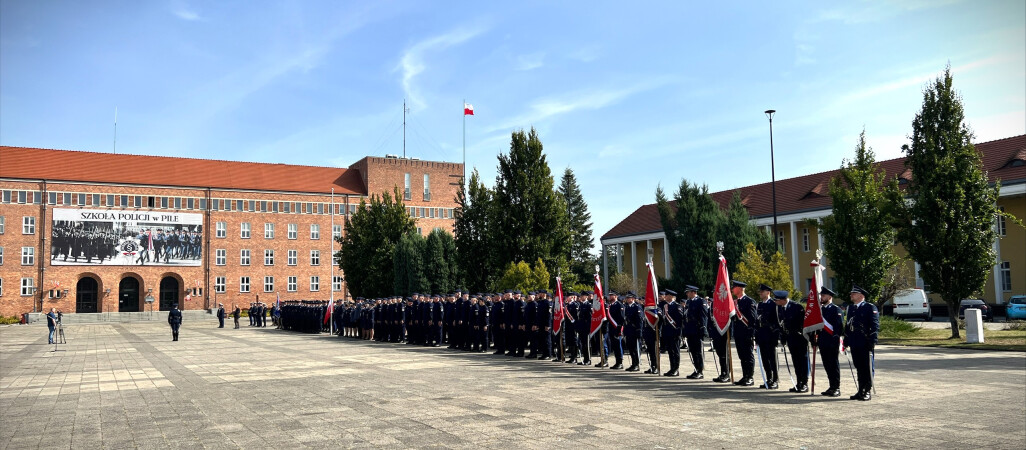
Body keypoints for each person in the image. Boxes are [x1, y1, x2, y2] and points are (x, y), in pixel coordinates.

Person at [846, 284, 879, 401]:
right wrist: (846, 339)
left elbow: (875, 325)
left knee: (867, 367)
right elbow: (848, 325)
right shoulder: (851, 308)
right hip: (855, 342)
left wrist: (873, 340)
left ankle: (867, 390)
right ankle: (860, 390)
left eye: (853, 294)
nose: (851, 295)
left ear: (861, 296)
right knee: (859, 367)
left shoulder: (870, 307)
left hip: (865, 342)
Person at [775, 290, 808, 393]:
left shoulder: (796, 307)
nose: (775, 301)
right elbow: (781, 324)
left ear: (783, 300)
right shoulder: (780, 308)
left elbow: (803, 324)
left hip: (800, 338)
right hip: (790, 338)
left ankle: (804, 383)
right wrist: (783, 338)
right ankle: (799, 383)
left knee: (802, 361)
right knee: (796, 361)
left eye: (777, 300)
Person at [815, 287, 844, 397]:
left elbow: (838, 327)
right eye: (821, 295)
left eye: (823, 295)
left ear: (830, 297)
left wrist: (835, 341)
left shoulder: (836, 309)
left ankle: (836, 387)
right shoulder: (820, 310)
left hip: (832, 342)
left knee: (833, 365)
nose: (821, 297)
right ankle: (831, 386)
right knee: (827, 365)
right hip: (822, 341)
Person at [731, 281, 758, 386]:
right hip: (738, 333)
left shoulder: (749, 301)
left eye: (735, 287)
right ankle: (745, 376)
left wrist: (751, 334)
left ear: (740, 288)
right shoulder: (735, 302)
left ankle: (750, 377)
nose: (733, 289)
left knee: (748, 356)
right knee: (742, 356)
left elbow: (752, 319)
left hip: (747, 333)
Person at [755, 284, 780, 389]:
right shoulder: (760, 305)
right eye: (760, 291)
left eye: (762, 291)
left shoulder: (773, 304)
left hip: (770, 335)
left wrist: (776, 337)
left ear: (768, 292)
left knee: (772, 359)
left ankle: (775, 380)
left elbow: (777, 321)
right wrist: (756, 337)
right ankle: (768, 378)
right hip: (762, 334)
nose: (760, 293)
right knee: (765, 358)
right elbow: (757, 321)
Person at [682, 285, 708, 379]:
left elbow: (703, 316)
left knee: (698, 351)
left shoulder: (701, 301)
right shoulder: (689, 302)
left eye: (688, 292)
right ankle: (696, 369)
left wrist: (703, 328)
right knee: (692, 351)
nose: (687, 294)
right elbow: (686, 317)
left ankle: (700, 371)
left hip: (697, 330)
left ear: (693, 292)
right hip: (690, 330)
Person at [661, 290, 683, 377]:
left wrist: (678, 332)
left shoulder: (677, 306)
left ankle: (676, 369)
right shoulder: (665, 306)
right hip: (667, 332)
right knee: (670, 351)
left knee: (675, 351)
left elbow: (680, 321)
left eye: (667, 295)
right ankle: (672, 368)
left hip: (674, 332)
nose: (665, 296)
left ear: (671, 296)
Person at [623, 292, 643, 372]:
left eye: (629, 298)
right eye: (627, 298)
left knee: (635, 348)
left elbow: (640, 320)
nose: (627, 299)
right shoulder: (627, 307)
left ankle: (637, 364)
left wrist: (639, 331)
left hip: (635, 330)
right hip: (628, 330)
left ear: (633, 298)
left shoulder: (637, 307)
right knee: (630, 348)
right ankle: (633, 363)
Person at [606, 292, 625, 370]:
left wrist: (619, 329)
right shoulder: (610, 305)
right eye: (609, 295)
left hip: (617, 328)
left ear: (616, 296)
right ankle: (617, 362)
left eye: (611, 295)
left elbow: (621, 318)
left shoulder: (619, 305)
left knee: (618, 345)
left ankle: (620, 362)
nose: (609, 297)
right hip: (611, 328)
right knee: (614, 346)